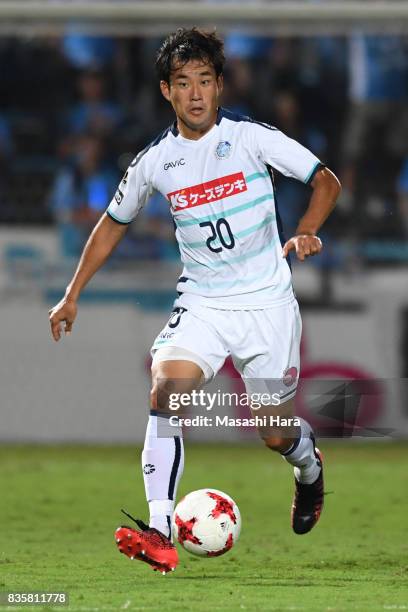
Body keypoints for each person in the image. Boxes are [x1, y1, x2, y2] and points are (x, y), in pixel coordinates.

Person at [49, 28, 341, 574]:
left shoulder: (254, 138)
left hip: (266, 305)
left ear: (219, 85)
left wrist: (304, 229)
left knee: (275, 432)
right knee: (167, 388)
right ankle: (160, 529)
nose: (197, 93)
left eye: (205, 80)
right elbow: (112, 224)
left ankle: (307, 466)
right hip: (203, 304)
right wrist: (72, 294)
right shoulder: (155, 161)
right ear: (167, 90)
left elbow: (326, 179)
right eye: (184, 83)